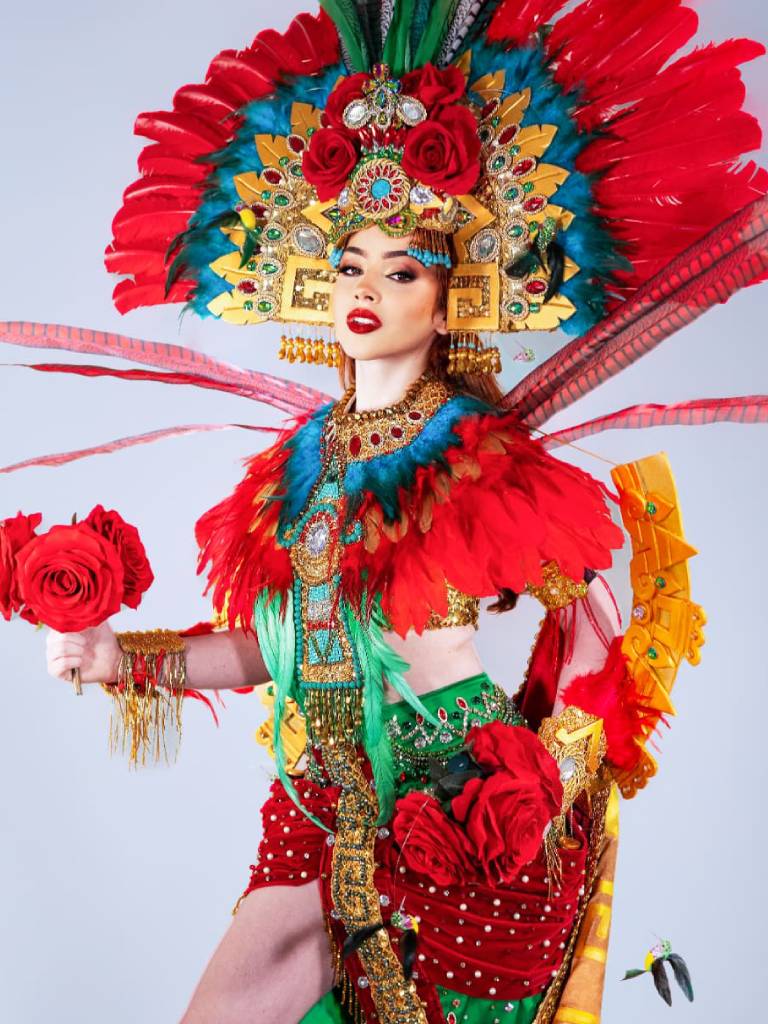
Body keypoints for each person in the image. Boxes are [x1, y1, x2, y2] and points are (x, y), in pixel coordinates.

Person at [22, 2, 767, 1022]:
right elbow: (272, 647)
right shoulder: (294, 466)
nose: (365, 288)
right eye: (349, 264)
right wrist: (123, 660)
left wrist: (545, 770)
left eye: (400, 268)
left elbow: (596, 610)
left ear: (446, 298)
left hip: (458, 811)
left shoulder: (481, 458)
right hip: (321, 803)